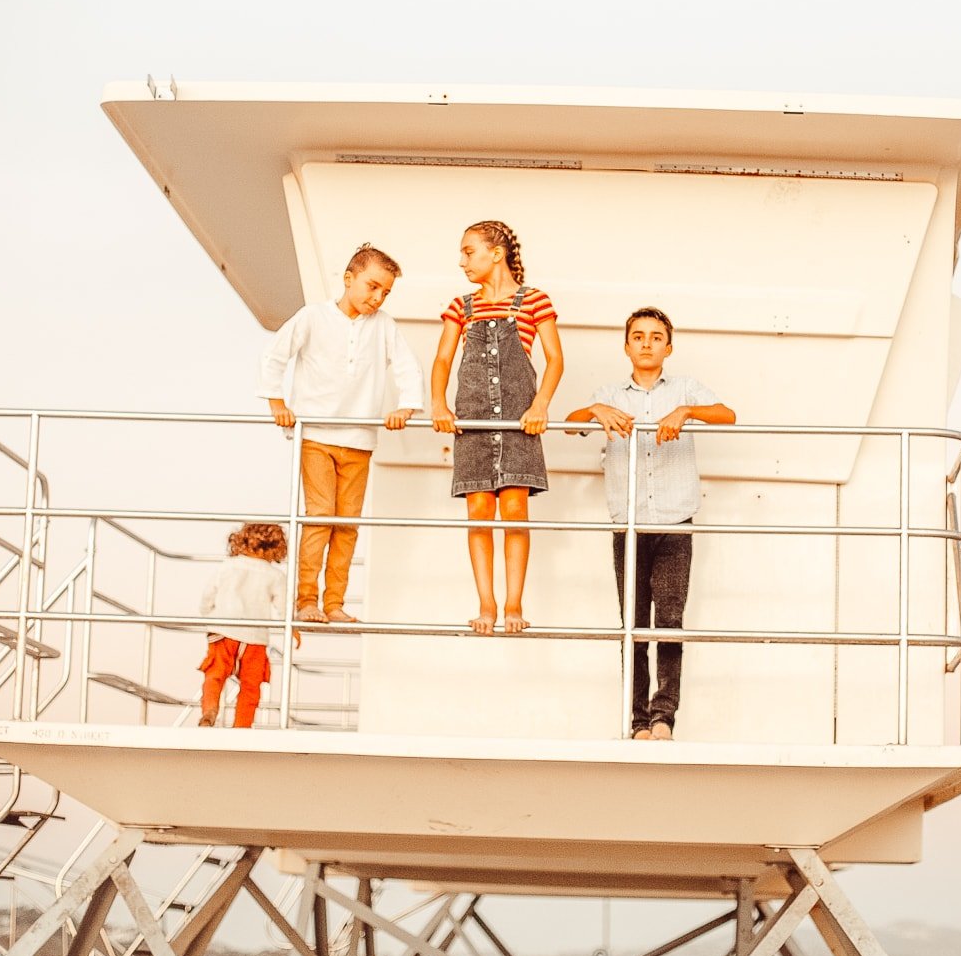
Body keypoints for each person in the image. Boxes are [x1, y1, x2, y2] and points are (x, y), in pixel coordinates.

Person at [565, 307, 734, 740]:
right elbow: (569, 426)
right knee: (633, 624)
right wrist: (594, 410)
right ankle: (637, 721)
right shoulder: (611, 393)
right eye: (637, 336)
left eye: (656, 337)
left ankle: (664, 718)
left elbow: (727, 414)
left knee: (670, 622)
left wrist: (687, 412)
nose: (646, 343)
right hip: (630, 524)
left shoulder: (684, 389)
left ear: (668, 347)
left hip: (675, 520)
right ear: (626, 346)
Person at [259, 244, 424, 625]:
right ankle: (306, 600)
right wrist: (277, 404)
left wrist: (407, 407)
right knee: (320, 517)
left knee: (347, 525)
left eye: (385, 292)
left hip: (360, 441)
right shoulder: (313, 317)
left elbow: (407, 367)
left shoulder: (383, 325)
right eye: (372, 286)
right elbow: (274, 356)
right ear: (349, 279)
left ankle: (335, 602)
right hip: (317, 435)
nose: (377, 297)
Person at [429, 220, 564, 635]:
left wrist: (540, 404)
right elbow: (442, 361)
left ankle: (513, 603)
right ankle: (486, 603)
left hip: (517, 421)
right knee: (479, 511)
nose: (462, 261)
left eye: (469, 251)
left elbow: (555, 360)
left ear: (496, 253)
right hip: (472, 421)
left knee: (515, 510)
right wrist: (439, 403)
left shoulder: (534, 302)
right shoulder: (461, 307)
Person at [197, 523, 289, 727]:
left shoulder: (227, 566)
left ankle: (209, 710)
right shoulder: (275, 575)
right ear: (276, 548)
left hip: (223, 630)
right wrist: (294, 629)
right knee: (251, 684)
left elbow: (207, 596)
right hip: (254, 637)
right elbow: (284, 607)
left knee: (215, 674)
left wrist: (208, 615)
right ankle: (242, 725)